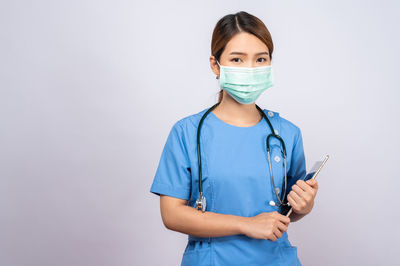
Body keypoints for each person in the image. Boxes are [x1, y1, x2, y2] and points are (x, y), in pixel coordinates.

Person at [149, 11, 319, 266]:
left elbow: (287, 212)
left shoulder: (287, 133)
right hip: (213, 260)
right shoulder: (186, 132)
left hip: (275, 259)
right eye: (237, 59)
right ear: (215, 65)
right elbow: (171, 215)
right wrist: (246, 225)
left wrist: (304, 207)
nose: (250, 69)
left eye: (260, 59)